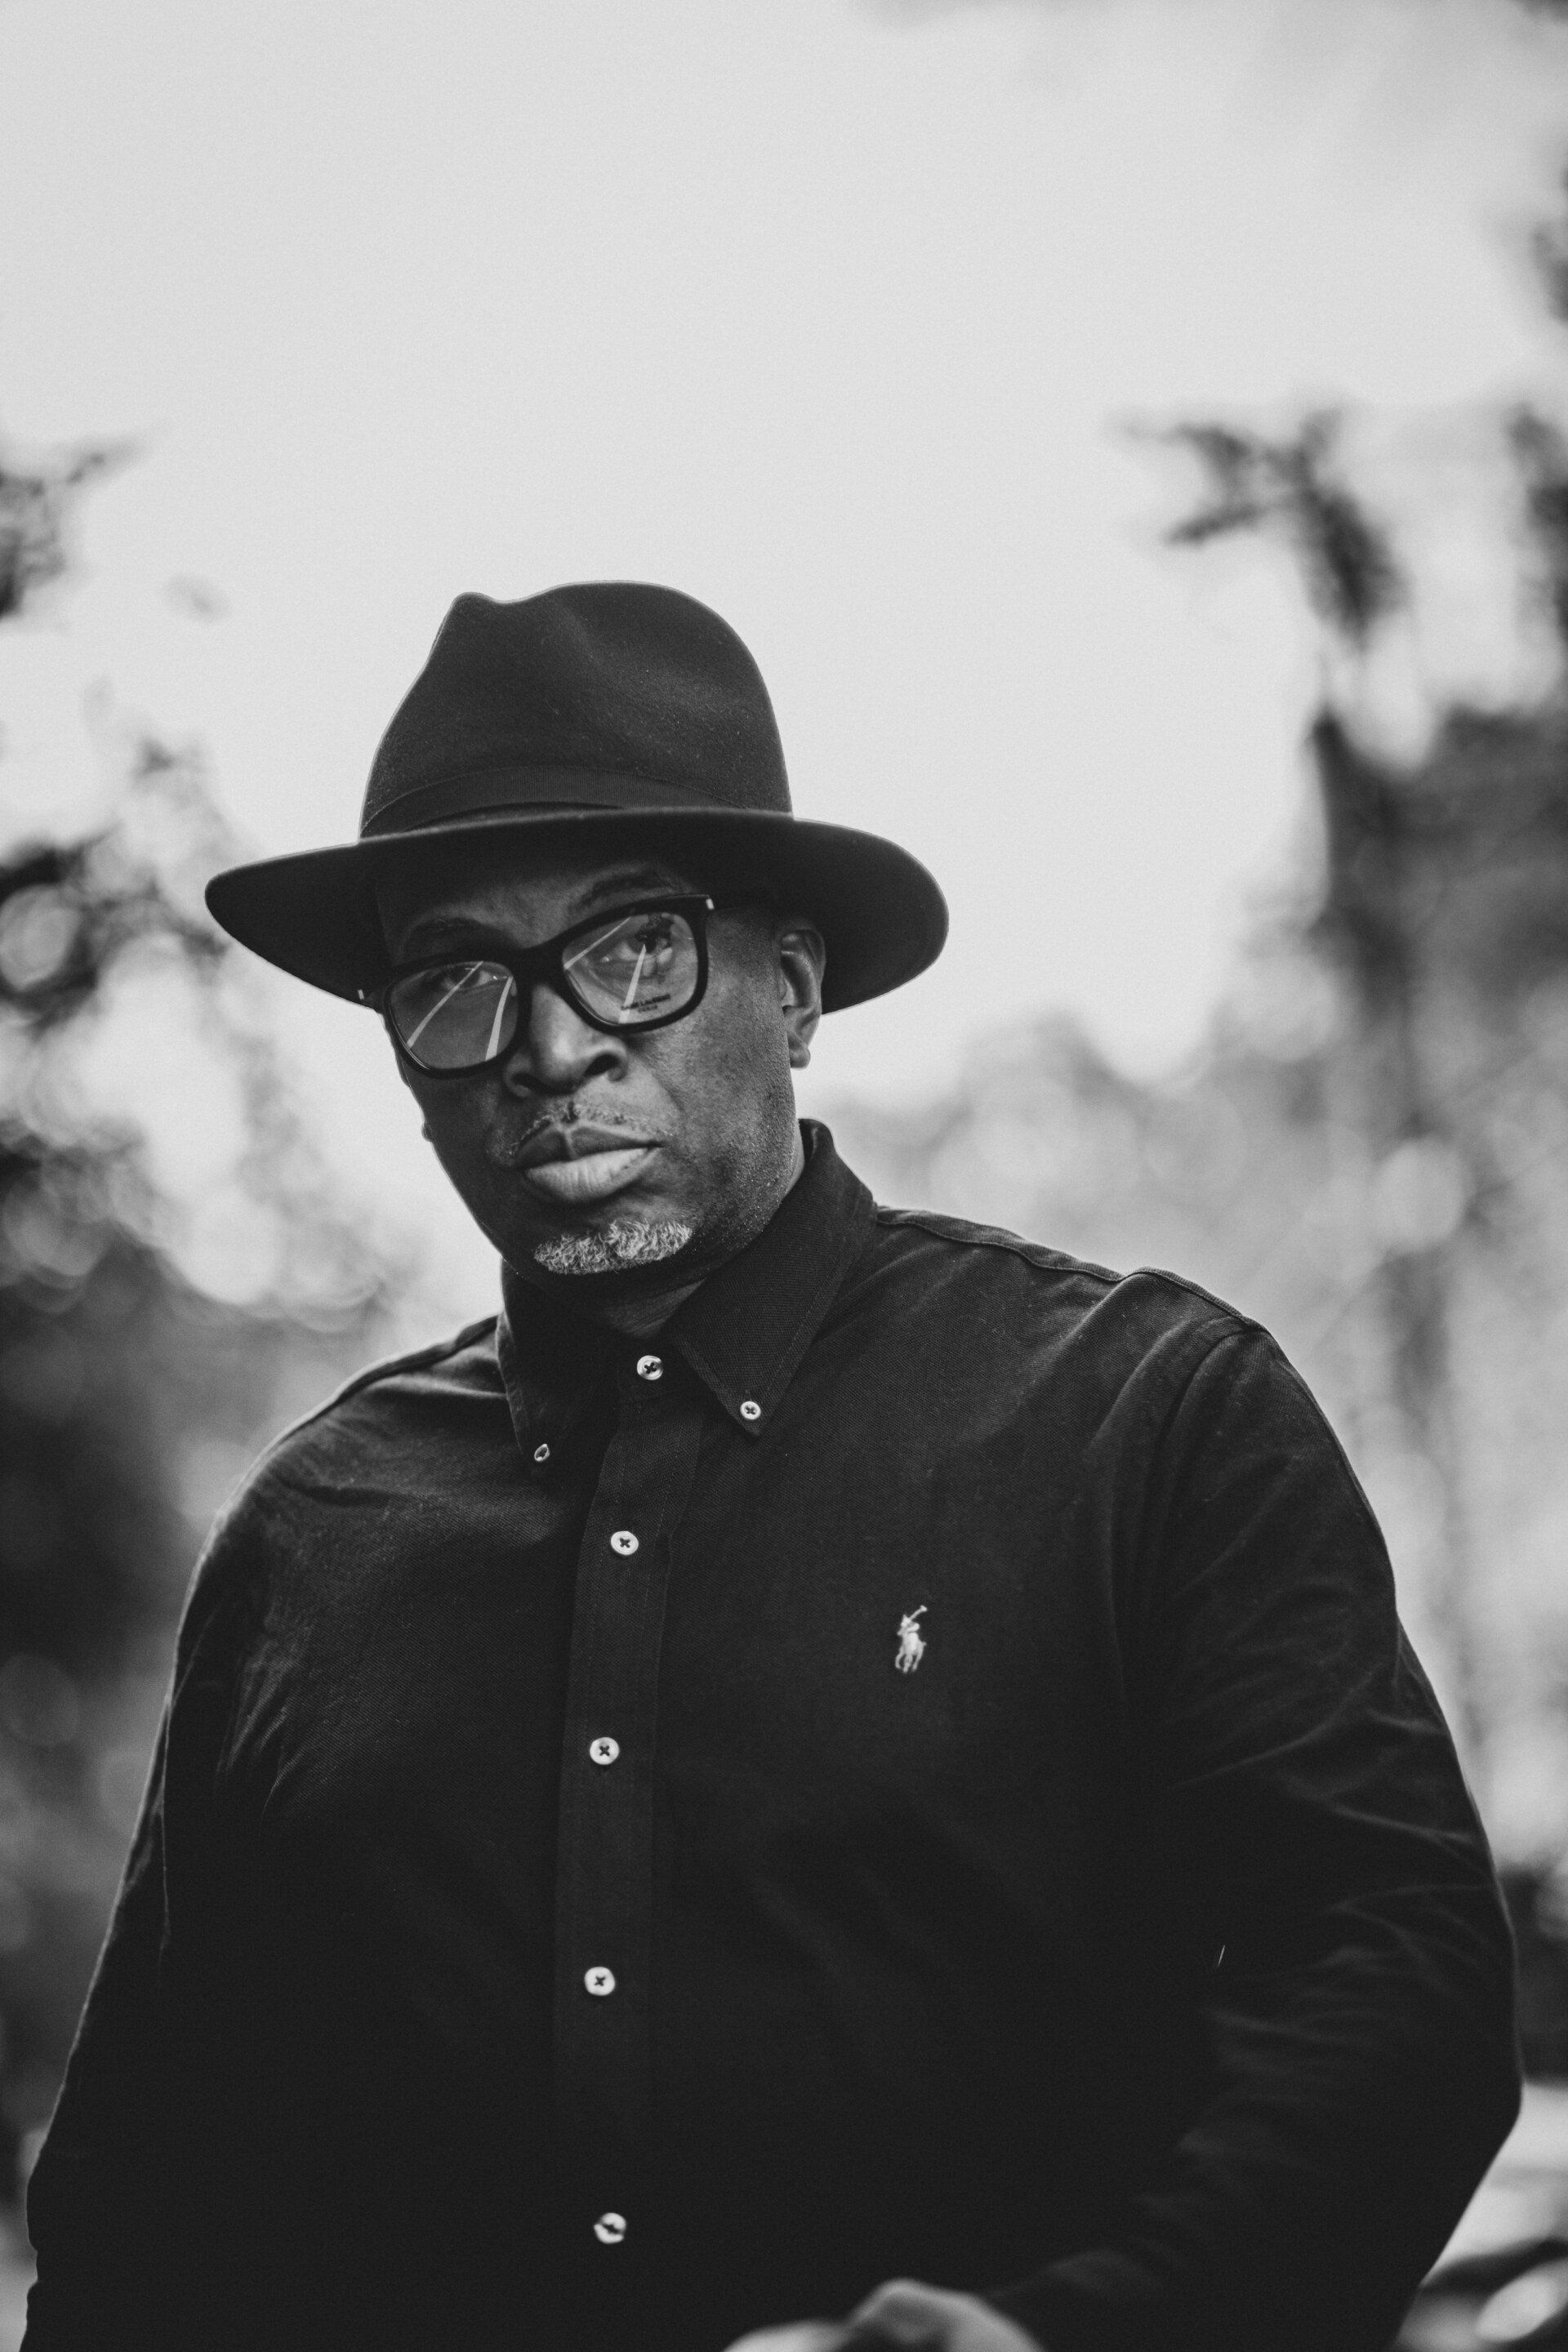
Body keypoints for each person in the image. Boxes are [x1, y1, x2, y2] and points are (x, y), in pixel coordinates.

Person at [23, 585, 1518, 2352]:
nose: (551, 1048)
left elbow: (1394, 1990)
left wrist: (1082, 2334)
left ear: (794, 987)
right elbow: (151, 2199)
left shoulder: (1147, 1418)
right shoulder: (310, 1541)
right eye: (456, 983)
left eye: (633, 950)